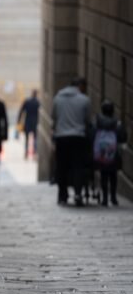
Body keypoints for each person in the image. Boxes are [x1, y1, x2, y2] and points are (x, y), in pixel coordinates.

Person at [52, 77, 92, 206]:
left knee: (61, 167)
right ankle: (78, 193)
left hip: (61, 137)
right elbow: (87, 121)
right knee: (78, 166)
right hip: (78, 138)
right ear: (80, 86)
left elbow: (54, 117)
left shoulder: (57, 98)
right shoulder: (84, 100)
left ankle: (62, 194)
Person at [92, 101, 127, 206]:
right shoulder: (117, 122)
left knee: (104, 175)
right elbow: (122, 137)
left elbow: (92, 135)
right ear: (112, 111)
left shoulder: (97, 122)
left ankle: (105, 199)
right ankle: (113, 197)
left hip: (102, 152)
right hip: (113, 152)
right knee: (113, 175)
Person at [17, 90, 40, 160]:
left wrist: (19, 120)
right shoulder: (38, 103)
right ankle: (35, 153)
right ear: (36, 94)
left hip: (27, 122)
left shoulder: (27, 101)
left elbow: (21, 111)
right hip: (35, 122)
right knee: (35, 138)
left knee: (27, 139)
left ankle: (26, 152)